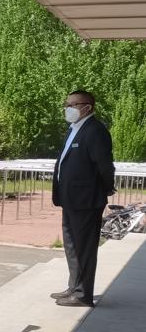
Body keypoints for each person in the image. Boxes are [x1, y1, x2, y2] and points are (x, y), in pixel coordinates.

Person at [51, 90, 116, 307]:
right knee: (72, 245)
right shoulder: (73, 129)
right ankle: (74, 286)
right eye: (66, 104)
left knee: (84, 248)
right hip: (70, 199)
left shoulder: (95, 131)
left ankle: (83, 294)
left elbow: (104, 165)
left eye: (73, 104)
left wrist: (105, 189)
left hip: (86, 200)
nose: (68, 109)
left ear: (87, 107)